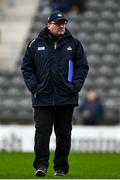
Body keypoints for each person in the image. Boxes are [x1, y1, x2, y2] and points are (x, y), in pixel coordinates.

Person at [21, 11, 89, 177]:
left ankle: (60, 168)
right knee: (42, 134)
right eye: (58, 23)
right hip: (42, 97)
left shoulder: (74, 44)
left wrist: (75, 87)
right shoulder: (35, 44)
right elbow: (26, 67)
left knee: (64, 135)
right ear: (49, 24)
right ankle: (41, 165)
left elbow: (83, 67)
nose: (62, 26)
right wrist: (34, 87)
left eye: (63, 23)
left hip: (66, 98)